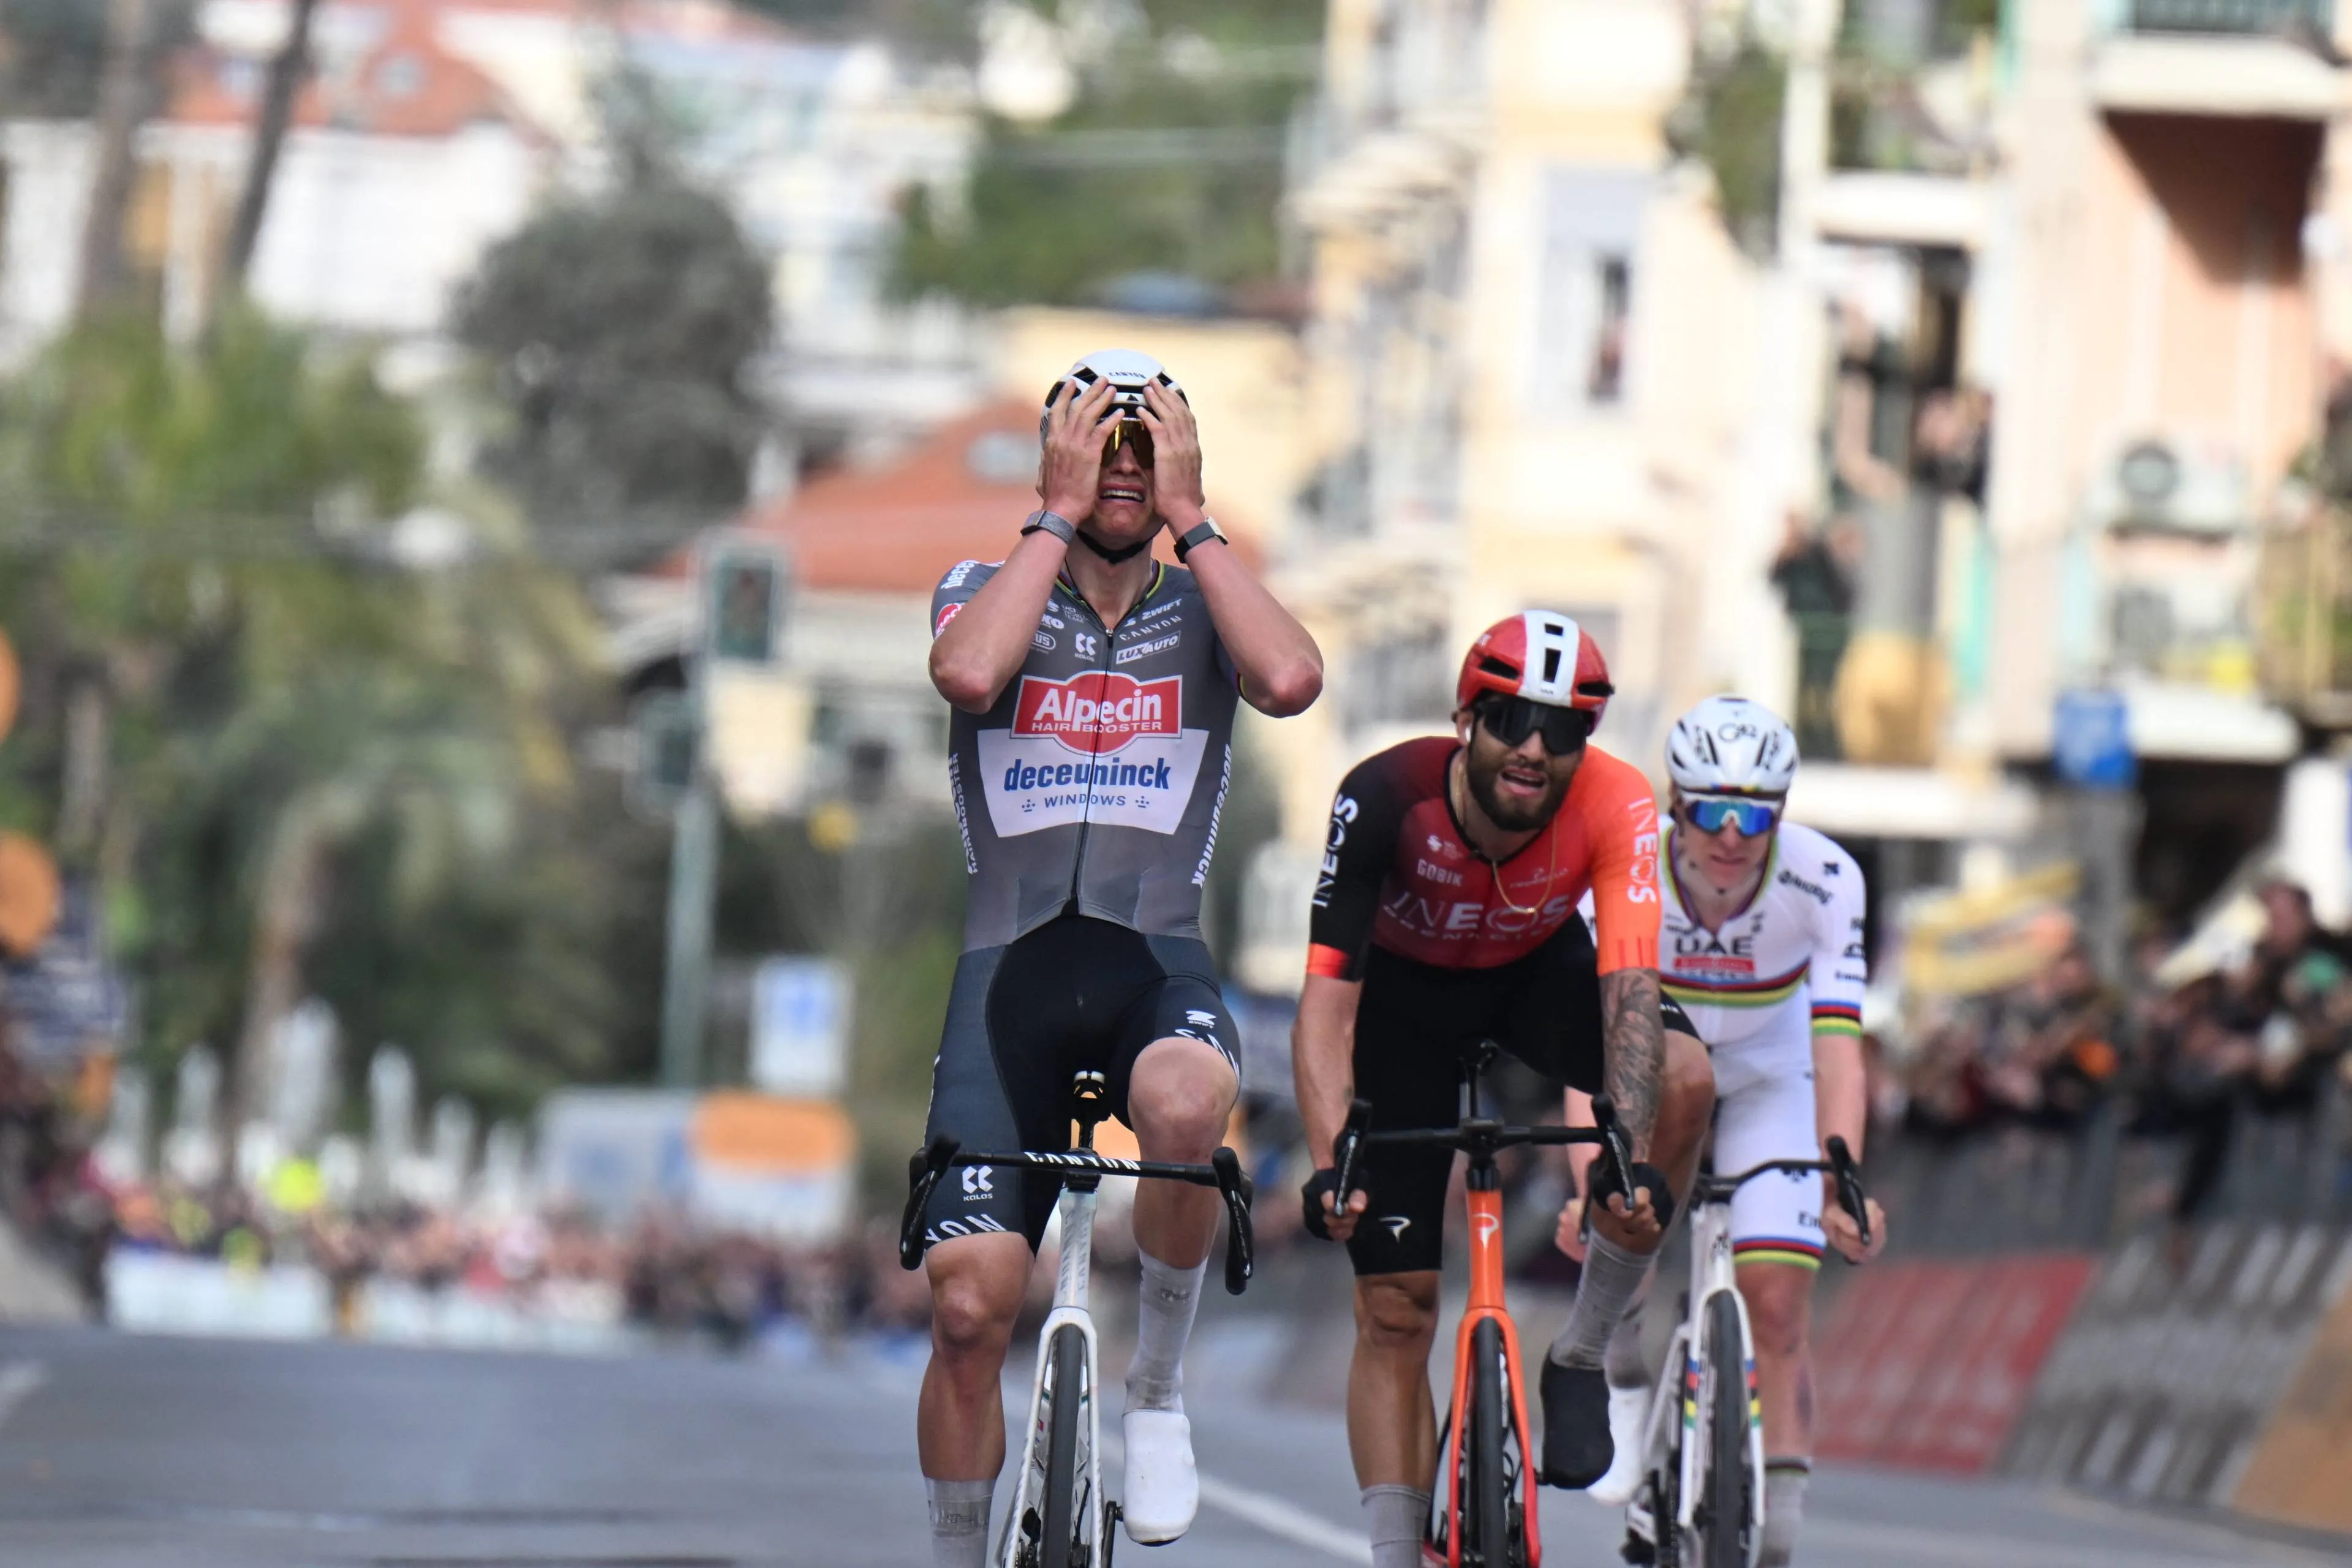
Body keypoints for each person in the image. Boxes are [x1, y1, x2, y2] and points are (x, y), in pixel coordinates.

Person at [913, 350, 1322, 1565]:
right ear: (1060, 457)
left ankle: (1153, 1382)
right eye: (1102, 447)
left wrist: (1201, 523)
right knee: (969, 1307)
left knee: (1190, 1100)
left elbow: (1293, 678)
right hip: (1009, 979)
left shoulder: (1210, 597)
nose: (1124, 472)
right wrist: (1053, 508)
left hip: (1154, 961)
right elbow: (970, 671)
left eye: (1149, 452)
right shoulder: (982, 583)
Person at [1291, 612, 1717, 1568]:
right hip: (1402, 1005)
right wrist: (1331, 1166)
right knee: (1395, 1309)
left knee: (1686, 1077)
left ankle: (1585, 1347)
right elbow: (1325, 1008)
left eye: (1563, 730)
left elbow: (1631, 998)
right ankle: (1398, 1550)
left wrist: (1628, 1157)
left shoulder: (1619, 803)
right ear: (1466, 718)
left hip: (1534, 978)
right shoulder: (1385, 794)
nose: (1535, 747)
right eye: (1514, 719)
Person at [1575, 695, 1888, 1568]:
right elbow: (1587, 1053)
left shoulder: (1825, 879)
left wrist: (1841, 1182)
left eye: (1754, 814)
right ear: (1676, 803)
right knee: (1621, 1247)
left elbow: (1837, 1048)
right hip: (1653, 1066)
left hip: (1769, 1075)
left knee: (1780, 1303)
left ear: (1781, 814)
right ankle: (1626, 1377)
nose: (1731, 833)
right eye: (1711, 808)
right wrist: (1582, 1188)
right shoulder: (1628, 869)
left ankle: (1778, 1529)